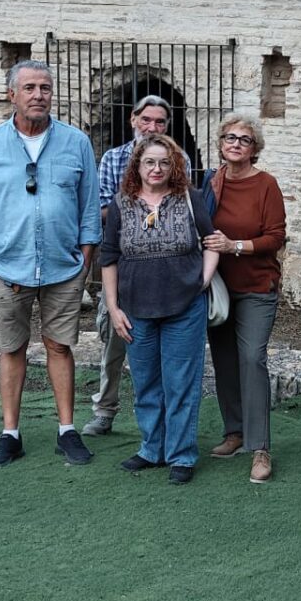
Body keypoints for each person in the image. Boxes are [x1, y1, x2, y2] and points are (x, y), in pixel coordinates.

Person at [0, 59, 100, 468]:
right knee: (12, 348)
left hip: (63, 267)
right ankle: (10, 433)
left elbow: (89, 206)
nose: (38, 95)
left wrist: (84, 258)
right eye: (29, 88)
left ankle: (66, 430)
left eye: (44, 87)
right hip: (8, 267)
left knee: (60, 346)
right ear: (12, 95)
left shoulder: (75, 143)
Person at [100, 134, 220, 484]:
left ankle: (182, 454)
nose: (157, 168)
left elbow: (212, 242)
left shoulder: (189, 198)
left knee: (181, 382)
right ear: (137, 165)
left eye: (165, 162)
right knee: (146, 382)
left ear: (174, 166)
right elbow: (109, 258)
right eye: (150, 162)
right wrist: (112, 307)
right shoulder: (122, 204)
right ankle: (152, 448)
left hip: (184, 306)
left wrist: (203, 280)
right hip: (135, 308)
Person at [200, 112, 287, 483]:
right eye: (229, 137)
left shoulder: (266, 184)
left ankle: (260, 447)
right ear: (220, 144)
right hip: (218, 288)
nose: (235, 143)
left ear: (255, 149)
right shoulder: (211, 182)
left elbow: (275, 236)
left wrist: (235, 245)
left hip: (256, 286)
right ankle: (234, 432)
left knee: (252, 359)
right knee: (224, 361)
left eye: (244, 139)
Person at [83, 95, 175, 436]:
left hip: (162, 269)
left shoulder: (174, 158)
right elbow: (101, 209)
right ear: (133, 120)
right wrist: (142, 208)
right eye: (146, 119)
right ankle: (104, 411)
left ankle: (159, 417)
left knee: (160, 347)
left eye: (160, 122)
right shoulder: (113, 158)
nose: (152, 127)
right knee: (112, 341)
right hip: (120, 264)